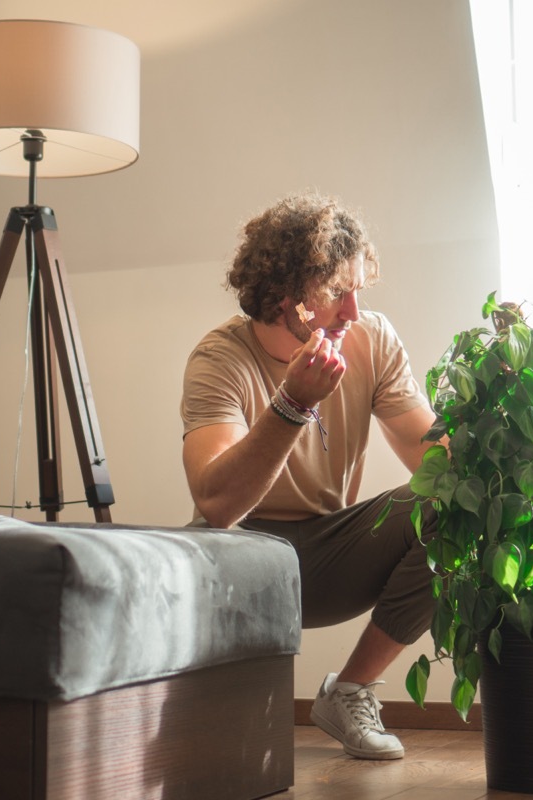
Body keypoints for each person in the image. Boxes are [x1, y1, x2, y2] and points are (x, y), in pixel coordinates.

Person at [179, 192, 438, 760]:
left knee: (448, 506)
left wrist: (506, 450)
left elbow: (435, 461)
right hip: (242, 562)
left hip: (327, 557)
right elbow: (218, 505)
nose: (352, 312)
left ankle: (349, 690)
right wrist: (292, 403)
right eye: (335, 294)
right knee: (210, 539)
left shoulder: (371, 338)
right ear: (289, 300)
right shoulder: (219, 359)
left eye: (357, 291)